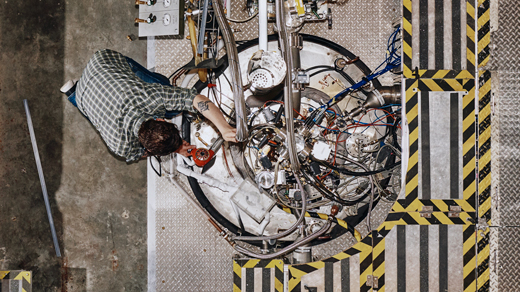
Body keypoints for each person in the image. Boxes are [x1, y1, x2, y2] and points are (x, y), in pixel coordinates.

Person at [61, 49, 236, 162]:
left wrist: (224, 128)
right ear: (159, 117)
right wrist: (175, 148)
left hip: (101, 62)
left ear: (160, 119)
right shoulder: (120, 146)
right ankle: (73, 94)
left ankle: (75, 92)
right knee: (170, 98)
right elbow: (196, 99)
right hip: (96, 73)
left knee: (165, 89)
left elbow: (196, 99)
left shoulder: (150, 98)